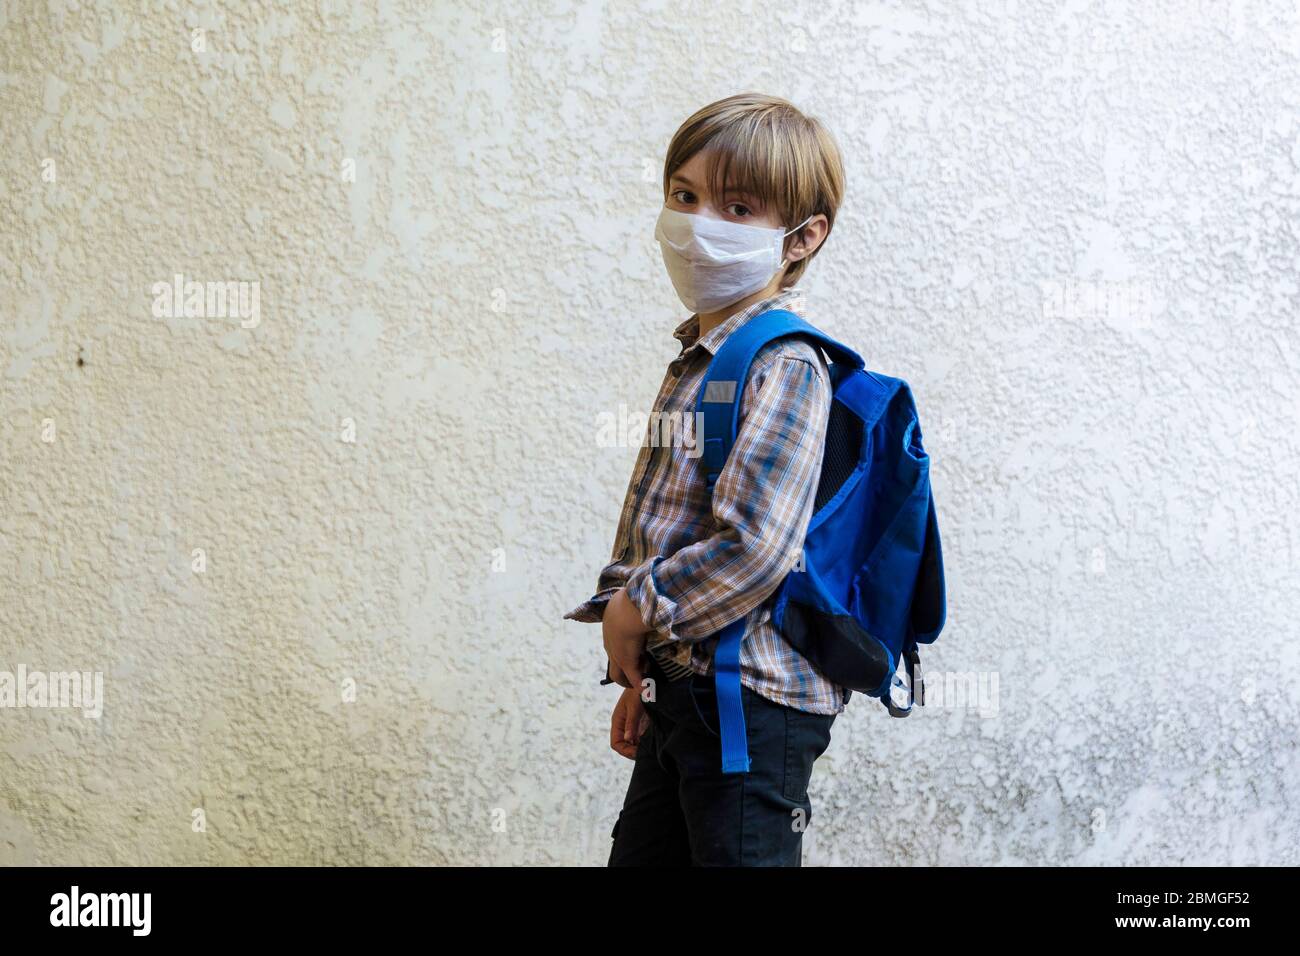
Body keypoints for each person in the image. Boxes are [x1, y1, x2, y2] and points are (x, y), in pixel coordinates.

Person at [564, 92, 848, 866]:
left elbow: (757, 547)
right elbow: (677, 521)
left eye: (737, 206)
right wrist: (646, 673)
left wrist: (635, 603)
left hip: (750, 709)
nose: (697, 224)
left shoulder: (783, 363)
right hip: (687, 687)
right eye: (684, 197)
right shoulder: (703, 357)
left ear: (802, 238)